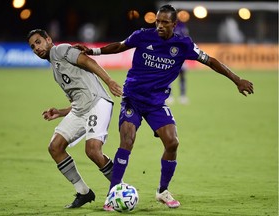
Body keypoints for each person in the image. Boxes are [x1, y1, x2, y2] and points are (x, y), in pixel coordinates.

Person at [75, 4, 254, 210]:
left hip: (156, 103)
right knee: (127, 141)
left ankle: (162, 191)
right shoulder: (142, 36)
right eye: (157, 21)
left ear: (174, 24)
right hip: (133, 98)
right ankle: (112, 193)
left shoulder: (183, 44)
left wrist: (236, 79)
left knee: (172, 143)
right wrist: (93, 51)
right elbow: (119, 46)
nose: (159, 25)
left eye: (164, 22)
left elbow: (211, 61)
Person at [27, 29, 122, 209]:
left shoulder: (61, 50)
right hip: (80, 109)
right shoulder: (55, 69)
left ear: (48, 39)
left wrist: (109, 81)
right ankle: (84, 192)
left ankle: (120, 188)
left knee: (93, 150)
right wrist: (60, 112)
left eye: (38, 42)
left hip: (97, 102)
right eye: (33, 46)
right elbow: (76, 100)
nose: (36, 48)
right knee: (55, 147)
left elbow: (88, 61)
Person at [167, 20, 190, 105]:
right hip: (170, 56)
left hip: (180, 56)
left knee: (182, 75)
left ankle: (183, 95)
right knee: (169, 76)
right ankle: (169, 96)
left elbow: (186, 39)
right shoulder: (167, 25)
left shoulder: (181, 26)